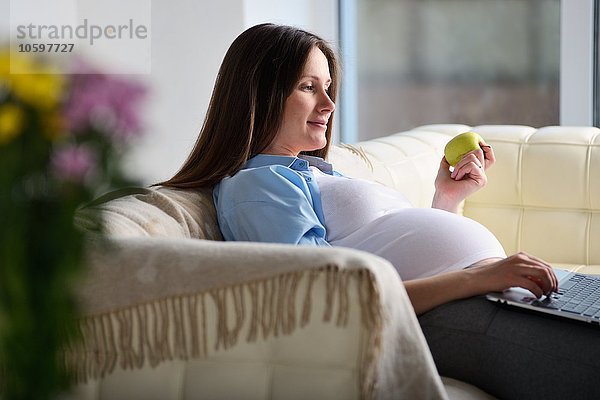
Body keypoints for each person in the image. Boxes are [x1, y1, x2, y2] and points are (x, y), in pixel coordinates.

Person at [159, 23, 599, 399]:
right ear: (260, 96)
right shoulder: (258, 185)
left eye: (327, 89)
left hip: (483, 296)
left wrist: (447, 199)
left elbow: (393, 253)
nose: (329, 107)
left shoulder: (313, 174)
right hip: (449, 315)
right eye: (308, 88)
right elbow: (328, 300)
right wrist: (479, 277)